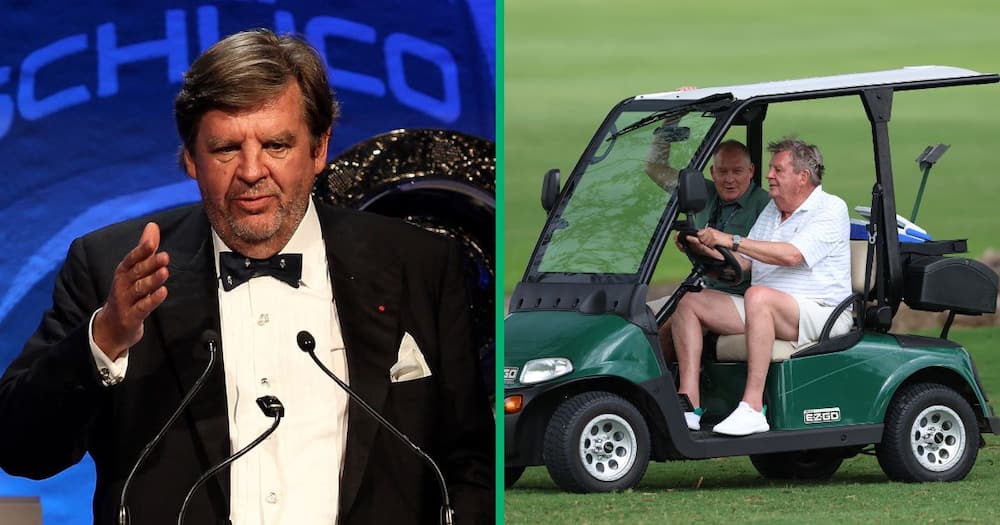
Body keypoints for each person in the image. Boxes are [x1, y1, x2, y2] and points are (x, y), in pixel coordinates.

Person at [0, 29, 493, 524]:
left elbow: (470, 463)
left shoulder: (422, 265)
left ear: (319, 149)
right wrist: (104, 340)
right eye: (226, 149)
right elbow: (22, 449)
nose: (253, 171)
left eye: (277, 145)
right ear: (191, 158)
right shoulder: (110, 266)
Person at [672, 137, 852, 436]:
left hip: (822, 312)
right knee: (690, 302)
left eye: (777, 170)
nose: (769, 176)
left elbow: (792, 255)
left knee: (758, 297)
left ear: (802, 177)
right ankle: (689, 405)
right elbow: (743, 262)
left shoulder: (830, 208)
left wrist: (730, 239)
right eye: (771, 169)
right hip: (770, 307)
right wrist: (703, 246)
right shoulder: (773, 210)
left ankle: (753, 407)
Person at [657, 140, 770, 365]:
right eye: (722, 171)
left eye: (737, 171)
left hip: (740, 295)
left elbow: (750, 265)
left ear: (751, 171)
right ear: (712, 172)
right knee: (640, 318)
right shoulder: (703, 194)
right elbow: (654, 168)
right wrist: (669, 128)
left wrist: (704, 250)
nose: (729, 179)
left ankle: (663, 391)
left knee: (667, 318)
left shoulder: (765, 206)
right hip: (706, 288)